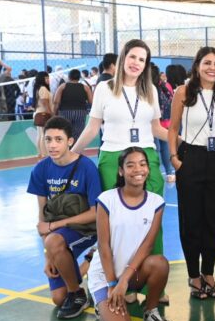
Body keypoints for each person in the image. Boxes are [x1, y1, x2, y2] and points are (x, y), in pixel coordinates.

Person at [71, 39, 169, 301]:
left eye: (142, 59)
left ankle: (152, 286)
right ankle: (119, 281)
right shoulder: (104, 88)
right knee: (115, 222)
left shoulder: (150, 91)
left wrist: (185, 143)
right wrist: (72, 155)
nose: (136, 63)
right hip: (113, 155)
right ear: (123, 58)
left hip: (147, 155)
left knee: (153, 219)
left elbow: (157, 128)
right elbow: (93, 128)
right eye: (133, 57)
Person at [87, 147, 174, 321]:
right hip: (105, 275)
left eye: (143, 164)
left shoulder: (156, 203)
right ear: (121, 171)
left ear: (148, 169)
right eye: (131, 165)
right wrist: (112, 284)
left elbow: (147, 246)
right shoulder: (106, 200)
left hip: (131, 274)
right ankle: (100, 306)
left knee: (160, 263)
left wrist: (124, 280)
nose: (138, 169)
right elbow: (103, 246)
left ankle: (150, 311)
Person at [168, 47, 215, 299]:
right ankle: (194, 275)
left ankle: (209, 272)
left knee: (214, 221)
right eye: (207, 63)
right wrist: (175, 159)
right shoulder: (183, 92)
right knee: (191, 220)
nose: (212, 67)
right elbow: (172, 129)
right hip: (190, 158)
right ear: (197, 66)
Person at [27, 116, 101, 319]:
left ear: (70, 141)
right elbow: (43, 217)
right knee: (59, 299)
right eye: (48, 139)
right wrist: (47, 255)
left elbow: (96, 212)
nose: (52, 145)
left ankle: (77, 294)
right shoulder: (41, 169)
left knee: (54, 240)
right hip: (58, 233)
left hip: (86, 228)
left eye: (58, 139)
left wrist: (54, 227)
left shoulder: (86, 167)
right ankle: (88, 262)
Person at [152, 64, 176, 183]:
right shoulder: (165, 86)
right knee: (165, 148)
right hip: (166, 122)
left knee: (155, 149)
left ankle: (155, 173)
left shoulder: (149, 88)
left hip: (154, 124)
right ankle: (169, 172)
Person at [53, 68, 92, 140]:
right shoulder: (85, 87)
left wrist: (55, 113)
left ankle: (66, 149)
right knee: (78, 134)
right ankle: (76, 150)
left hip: (65, 112)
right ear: (79, 77)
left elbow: (56, 101)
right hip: (80, 112)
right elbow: (91, 101)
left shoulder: (62, 86)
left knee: (65, 133)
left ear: (69, 77)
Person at [33, 72, 53, 157]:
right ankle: (45, 154)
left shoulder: (38, 88)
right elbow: (45, 102)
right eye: (46, 78)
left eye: (48, 78)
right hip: (44, 113)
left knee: (40, 134)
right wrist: (51, 114)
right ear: (42, 79)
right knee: (44, 135)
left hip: (39, 112)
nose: (48, 80)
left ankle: (41, 153)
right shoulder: (43, 89)